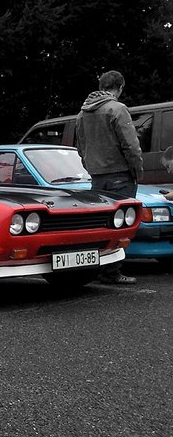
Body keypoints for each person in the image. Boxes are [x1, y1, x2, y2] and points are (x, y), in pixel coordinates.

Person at [76, 70, 144, 285]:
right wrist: (137, 171)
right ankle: (112, 271)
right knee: (122, 224)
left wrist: (91, 168)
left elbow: (81, 148)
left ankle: (99, 267)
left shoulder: (82, 114)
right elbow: (131, 145)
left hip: (97, 177)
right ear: (120, 88)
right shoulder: (117, 109)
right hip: (120, 175)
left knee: (101, 224)